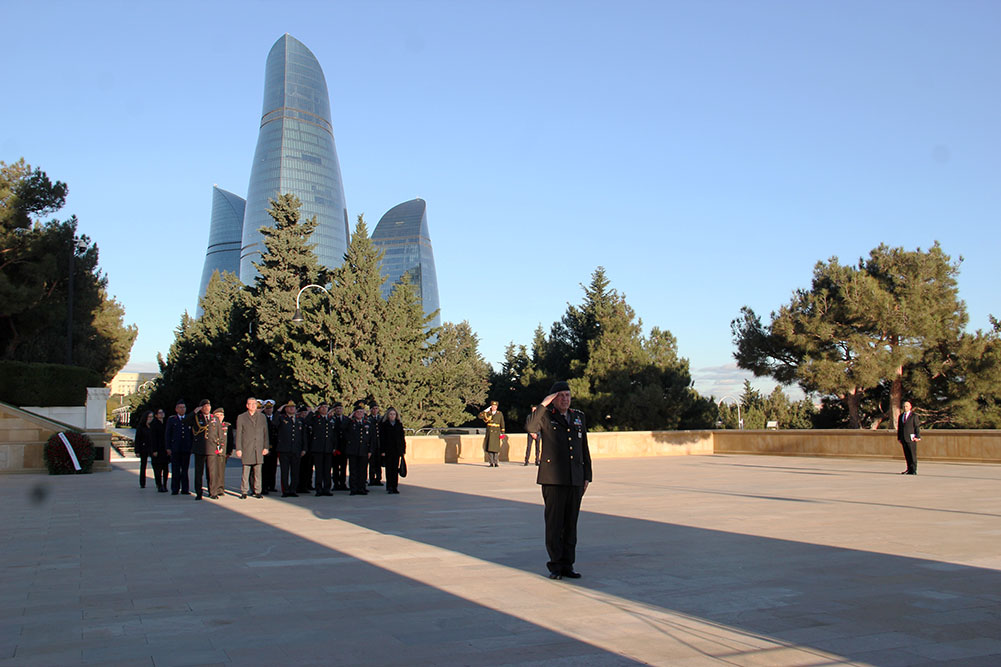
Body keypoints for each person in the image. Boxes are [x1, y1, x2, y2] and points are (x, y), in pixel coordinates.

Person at [526, 381, 592, 580]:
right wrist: (543, 404)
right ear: (553, 398)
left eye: (567, 395)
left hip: (575, 478)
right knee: (555, 524)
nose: (565, 399)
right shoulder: (545, 416)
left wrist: (587, 475)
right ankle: (555, 565)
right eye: (561, 395)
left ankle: (568, 564)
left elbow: (584, 448)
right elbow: (530, 426)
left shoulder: (578, 417)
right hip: (553, 479)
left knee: (571, 524)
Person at [235, 397, 269, 499]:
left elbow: (265, 433)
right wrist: (238, 449)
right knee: (246, 470)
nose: (253, 406)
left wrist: (266, 447)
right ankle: (244, 491)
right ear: (247, 405)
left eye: (255, 404)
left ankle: (257, 490)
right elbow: (239, 434)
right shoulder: (241, 417)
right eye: (251, 404)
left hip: (258, 447)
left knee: (258, 471)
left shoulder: (262, 417)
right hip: (247, 447)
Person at [276, 400, 307, 497]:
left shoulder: (299, 420)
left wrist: (304, 449)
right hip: (284, 449)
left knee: (295, 471)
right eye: (289, 407)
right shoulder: (282, 418)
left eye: (293, 407)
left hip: (296, 449)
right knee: (284, 471)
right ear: (286, 409)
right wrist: (278, 410)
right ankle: (285, 490)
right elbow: (274, 422)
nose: (292, 408)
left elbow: (304, 435)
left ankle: (293, 490)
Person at [344, 401, 375, 495]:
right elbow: (342, 428)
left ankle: (362, 488)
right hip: (353, 450)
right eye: (358, 412)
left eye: (361, 412)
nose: (360, 414)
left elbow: (371, 439)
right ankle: (353, 488)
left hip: (364, 450)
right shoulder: (350, 423)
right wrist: (350, 417)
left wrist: (370, 450)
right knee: (353, 470)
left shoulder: (368, 423)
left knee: (363, 471)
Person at [165, 399, 193, 495]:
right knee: (175, 469)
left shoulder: (189, 419)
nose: (182, 409)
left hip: (186, 448)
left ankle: (185, 489)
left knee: (185, 470)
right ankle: (175, 488)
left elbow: (192, 434)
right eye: (180, 408)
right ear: (176, 409)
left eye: (184, 407)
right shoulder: (172, 420)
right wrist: (168, 447)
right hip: (175, 448)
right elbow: (168, 434)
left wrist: (191, 447)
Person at [309, 401, 336, 496]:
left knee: (327, 470)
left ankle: (327, 488)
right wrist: (313, 411)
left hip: (328, 448)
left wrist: (334, 447)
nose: (325, 409)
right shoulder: (316, 418)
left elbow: (334, 435)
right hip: (318, 448)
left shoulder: (331, 419)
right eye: (322, 407)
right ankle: (319, 488)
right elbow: (307, 422)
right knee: (319, 470)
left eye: (326, 407)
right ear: (319, 409)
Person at [379, 407, 406, 494]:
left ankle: (395, 486)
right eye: (391, 414)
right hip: (388, 450)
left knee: (395, 469)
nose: (392, 416)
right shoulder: (384, 425)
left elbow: (402, 438)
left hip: (397, 450)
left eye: (394, 414)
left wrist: (403, 450)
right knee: (389, 469)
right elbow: (382, 438)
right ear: (388, 415)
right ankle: (389, 486)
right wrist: (382, 450)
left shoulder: (399, 424)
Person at [191, 399, 213, 500]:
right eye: (205, 407)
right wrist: (194, 412)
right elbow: (186, 421)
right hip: (199, 448)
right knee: (199, 472)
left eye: (208, 406)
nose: (207, 408)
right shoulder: (196, 417)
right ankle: (199, 492)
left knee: (211, 472)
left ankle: (212, 491)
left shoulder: (214, 418)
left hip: (211, 448)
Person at [205, 407, 229, 499]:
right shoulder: (211, 423)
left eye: (221, 415)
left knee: (220, 472)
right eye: (217, 415)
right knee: (212, 471)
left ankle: (219, 488)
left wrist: (225, 449)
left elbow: (225, 438)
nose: (219, 417)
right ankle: (212, 490)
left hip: (221, 451)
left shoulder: (225, 425)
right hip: (211, 450)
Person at [897, 400, 921, 475]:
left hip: (911, 438)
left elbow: (917, 427)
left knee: (912, 455)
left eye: (907, 406)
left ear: (910, 407)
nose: (905, 407)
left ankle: (914, 470)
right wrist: (899, 437)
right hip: (904, 438)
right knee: (907, 454)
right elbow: (899, 427)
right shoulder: (901, 416)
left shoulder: (914, 416)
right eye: (904, 406)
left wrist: (917, 437)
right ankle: (909, 469)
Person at [479, 400, 505, 467]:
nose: (494, 407)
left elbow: (502, 422)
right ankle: (491, 462)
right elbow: (480, 416)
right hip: (490, 432)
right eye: (493, 406)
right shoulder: (488, 413)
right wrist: (486, 410)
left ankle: (496, 462)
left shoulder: (499, 413)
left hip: (496, 432)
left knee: (496, 449)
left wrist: (502, 433)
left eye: (495, 406)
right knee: (490, 448)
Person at [261, 399, 279, 494]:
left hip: (275, 445)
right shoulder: (262, 418)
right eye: (267, 408)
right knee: (265, 467)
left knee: (273, 466)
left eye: (271, 408)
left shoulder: (276, 417)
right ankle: (265, 486)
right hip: (265, 445)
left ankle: (272, 485)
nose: (269, 410)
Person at [330, 402, 349, 490]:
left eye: (340, 408)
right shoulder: (331, 419)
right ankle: (336, 483)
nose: (339, 410)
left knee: (344, 466)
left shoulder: (346, 419)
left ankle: (343, 483)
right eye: (337, 409)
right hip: (335, 446)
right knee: (335, 466)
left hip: (344, 446)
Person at [150, 408, 168, 492]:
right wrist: (154, 450)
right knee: (158, 469)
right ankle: (159, 485)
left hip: (165, 449)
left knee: (166, 469)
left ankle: (165, 484)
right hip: (157, 449)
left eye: (162, 412)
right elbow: (153, 438)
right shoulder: (154, 424)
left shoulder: (166, 423)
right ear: (156, 415)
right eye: (159, 413)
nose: (162, 414)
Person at [297, 405, 314, 493]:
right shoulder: (300, 421)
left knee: (308, 468)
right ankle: (300, 486)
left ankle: (307, 484)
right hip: (300, 448)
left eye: (305, 413)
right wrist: (311, 413)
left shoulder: (309, 421)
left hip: (309, 448)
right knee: (301, 469)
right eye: (303, 413)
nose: (304, 414)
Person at [134, 410, 154, 488]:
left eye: (152, 417)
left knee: (156, 465)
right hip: (144, 448)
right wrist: (137, 450)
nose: (150, 418)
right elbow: (138, 439)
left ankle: (158, 482)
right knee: (143, 465)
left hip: (152, 447)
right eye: (149, 417)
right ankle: (142, 482)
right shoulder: (141, 427)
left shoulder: (153, 426)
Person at [368, 403, 384, 486]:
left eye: (376, 408)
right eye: (373, 408)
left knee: (378, 463)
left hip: (379, 444)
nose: (375, 410)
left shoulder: (381, 419)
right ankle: (371, 479)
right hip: (372, 444)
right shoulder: (368, 419)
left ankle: (378, 478)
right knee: (372, 463)